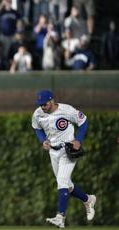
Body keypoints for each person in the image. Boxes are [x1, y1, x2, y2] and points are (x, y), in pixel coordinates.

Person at [31, 90, 96, 228]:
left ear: (52, 100)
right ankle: (88, 199)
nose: (42, 107)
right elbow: (37, 128)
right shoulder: (38, 113)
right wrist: (43, 140)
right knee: (68, 185)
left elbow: (83, 122)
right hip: (53, 152)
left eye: (45, 104)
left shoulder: (66, 110)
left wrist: (78, 140)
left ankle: (60, 216)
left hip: (68, 150)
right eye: (41, 104)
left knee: (62, 182)